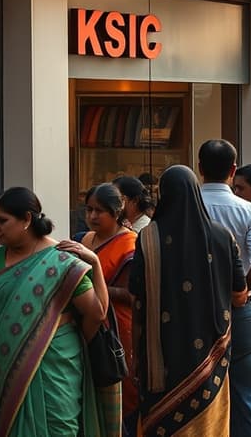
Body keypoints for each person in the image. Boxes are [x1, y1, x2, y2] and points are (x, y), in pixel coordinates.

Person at [129, 165, 247, 436]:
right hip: (210, 348)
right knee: (209, 419)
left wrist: (137, 351)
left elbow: (138, 299)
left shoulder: (148, 238)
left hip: (160, 352)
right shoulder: (222, 236)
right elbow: (239, 295)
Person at [0, 187, 110, 436]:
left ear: (27, 219)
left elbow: (97, 313)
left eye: (2, 221)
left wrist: (96, 265)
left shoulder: (62, 261)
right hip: (2, 368)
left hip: (54, 365)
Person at [198, 140, 251, 436]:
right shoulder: (248, 211)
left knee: (199, 392)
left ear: (199, 168)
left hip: (194, 310)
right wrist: (239, 292)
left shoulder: (184, 209)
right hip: (240, 311)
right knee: (249, 391)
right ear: (233, 170)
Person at [80, 183, 139, 432]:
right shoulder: (87, 239)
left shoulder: (130, 244)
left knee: (119, 387)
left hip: (117, 328)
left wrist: (95, 285)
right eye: (89, 210)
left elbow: (131, 293)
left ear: (116, 213)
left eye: (99, 211)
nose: (92, 216)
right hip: (88, 323)